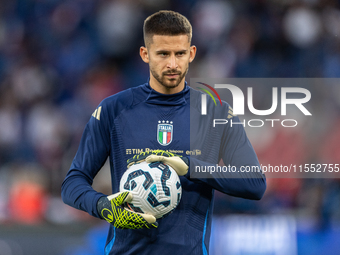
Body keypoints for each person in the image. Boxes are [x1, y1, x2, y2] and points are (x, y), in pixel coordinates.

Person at [61, 10, 266, 255]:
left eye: (180, 54)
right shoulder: (113, 109)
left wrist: (191, 167)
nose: (172, 63)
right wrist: (103, 205)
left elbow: (254, 183)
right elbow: (72, 183)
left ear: (191, 54)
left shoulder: (217, 113)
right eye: (163, 54)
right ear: (145, 54)